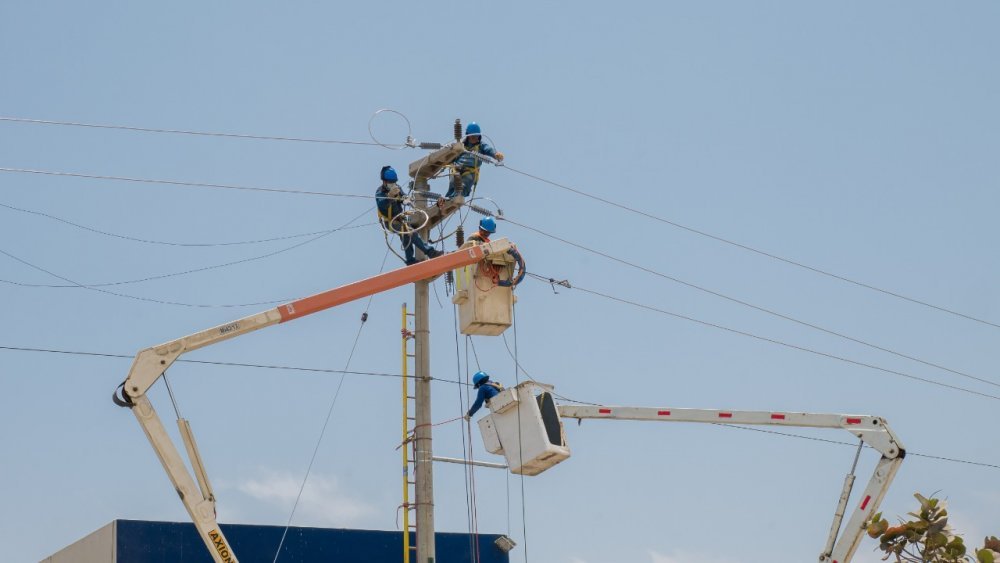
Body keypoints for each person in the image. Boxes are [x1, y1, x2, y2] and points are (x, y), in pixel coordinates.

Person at [375, 166, 442, 265]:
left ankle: (410, 260)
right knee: (409, 232)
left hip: (401, 218)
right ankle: (430, 252)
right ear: (384, 182)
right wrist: (389, 196)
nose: (392, 184)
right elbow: (382, 205)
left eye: (393, 182)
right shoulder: (380, 192)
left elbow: (402, 196)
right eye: (390, 182)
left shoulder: (397, 188)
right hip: (390, 221)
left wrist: (406, 198)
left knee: (406, 237)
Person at [444, 122, 504, 200]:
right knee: (453, 182)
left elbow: (489, 150)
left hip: (470, 171)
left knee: (466, 183)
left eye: (476, 137)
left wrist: (496, 154)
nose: (474, 138)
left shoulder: (481, 146)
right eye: (472, 137)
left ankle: (458, 196)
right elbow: (451, 156)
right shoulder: (461, 145)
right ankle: (450, 198)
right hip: (456, 168)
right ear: (468, 136)